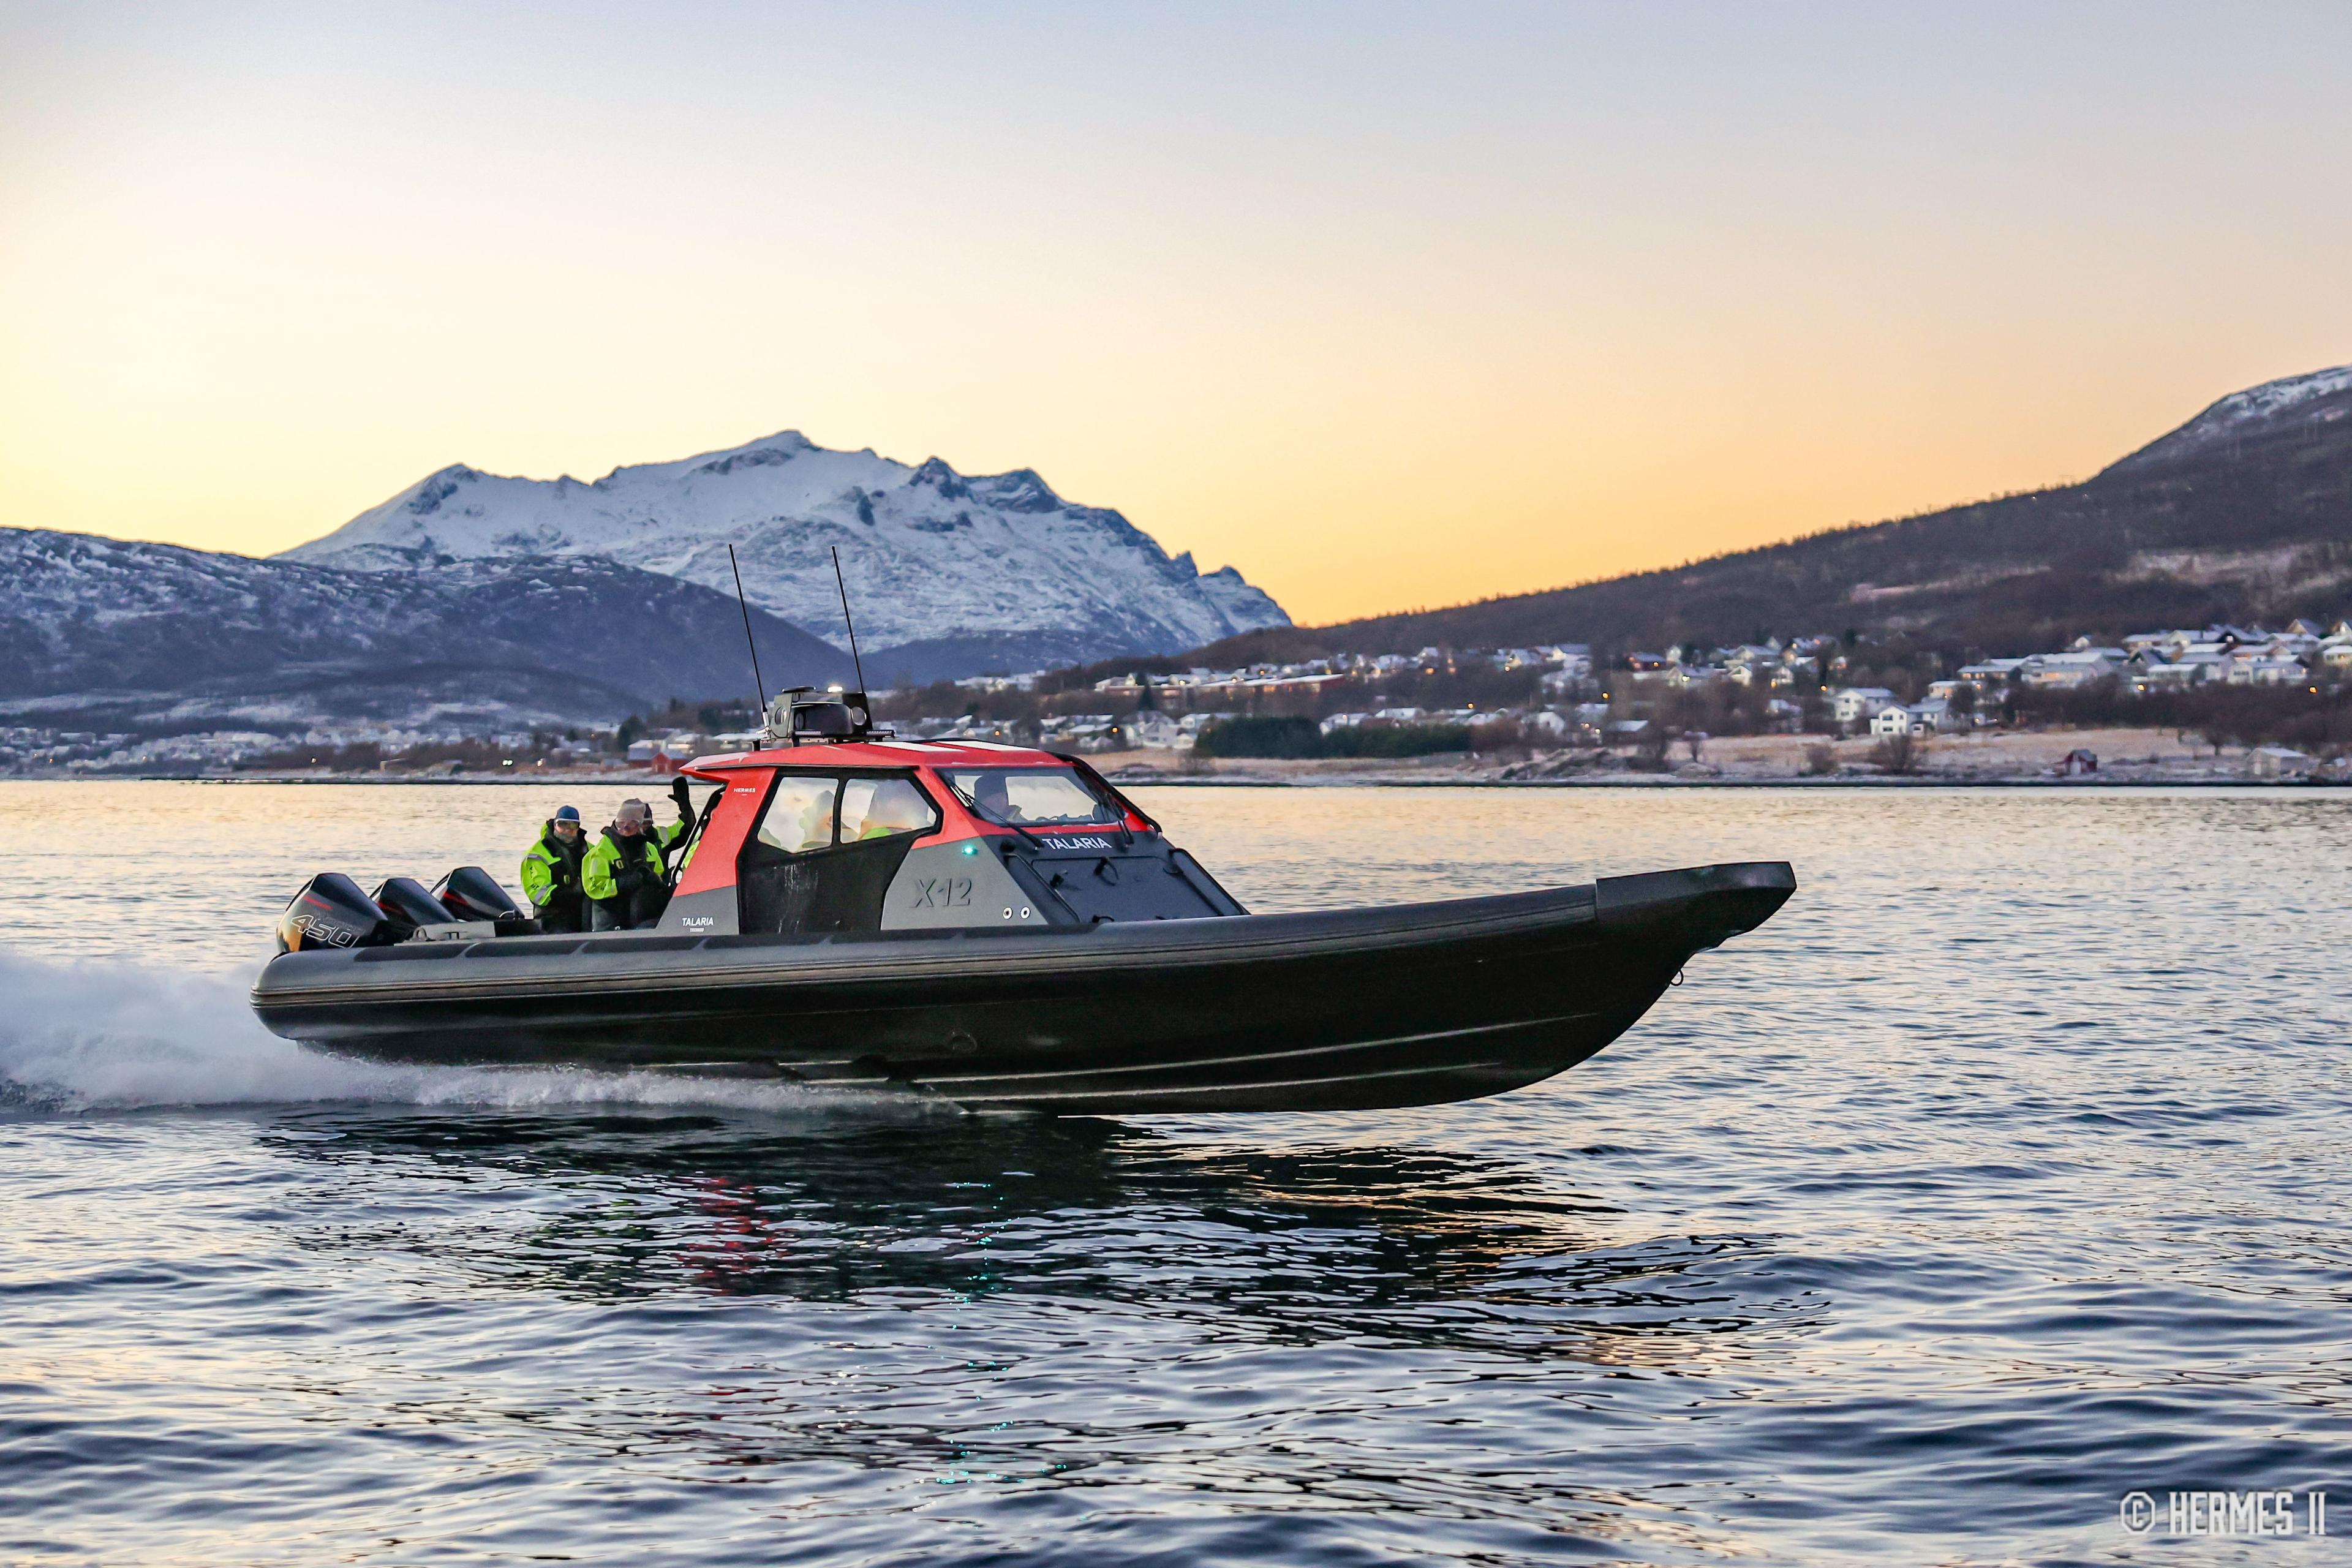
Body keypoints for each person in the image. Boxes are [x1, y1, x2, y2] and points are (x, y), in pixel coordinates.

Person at [583, 799, 669, 931]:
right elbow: (594, 889)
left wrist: (655, 880)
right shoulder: (600, 853)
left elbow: (659, 873)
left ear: (641, 826)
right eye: (621, 823)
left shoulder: (650, 850)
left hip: (639, 918)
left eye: (631, 824)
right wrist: (623, 883)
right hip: (610, 921)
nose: (624, 828)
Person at [519, 805, 588, 933]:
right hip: (552, 916)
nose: (568, 829)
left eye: (573, 825)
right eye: (563, 824)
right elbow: (539, 894)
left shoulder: (590, 849)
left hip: (585, 912)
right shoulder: (538, 854)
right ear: (555, 825)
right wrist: (572, 892)